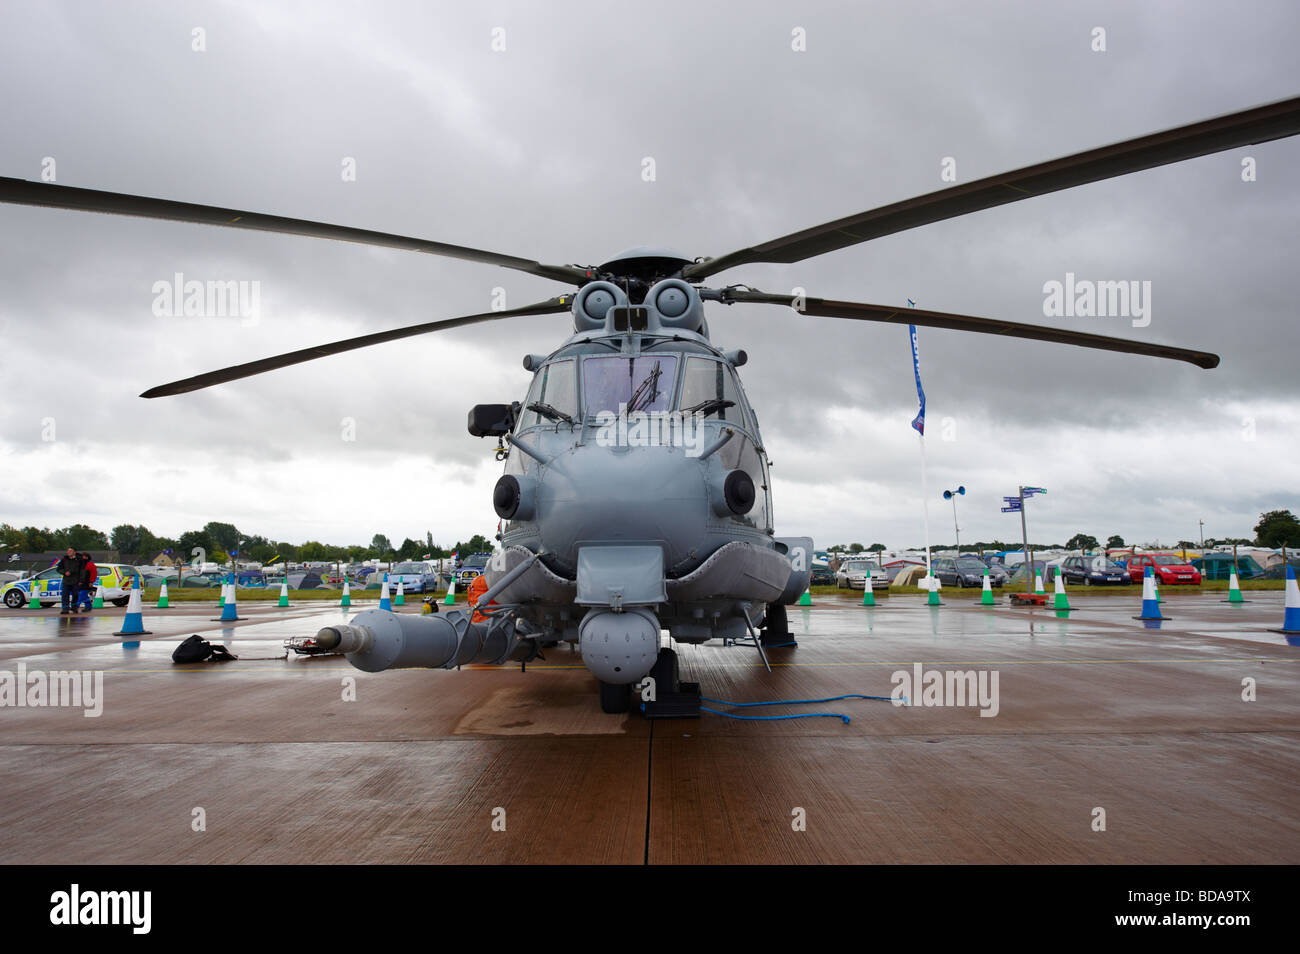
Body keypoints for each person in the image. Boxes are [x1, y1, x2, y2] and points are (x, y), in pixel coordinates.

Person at [56, 547, 82, 614]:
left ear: (74, 552)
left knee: (75, 594)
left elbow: (82, 570)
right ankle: (65, 608)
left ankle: (74, 607)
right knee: (65, 595)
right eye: (68, 551)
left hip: (75, 580)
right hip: (66, 580)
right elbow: (58, 569)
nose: (68, 552)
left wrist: (81, 580)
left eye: (70, 551)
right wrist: (64, 572)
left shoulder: (79, 560)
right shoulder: (64, 559)